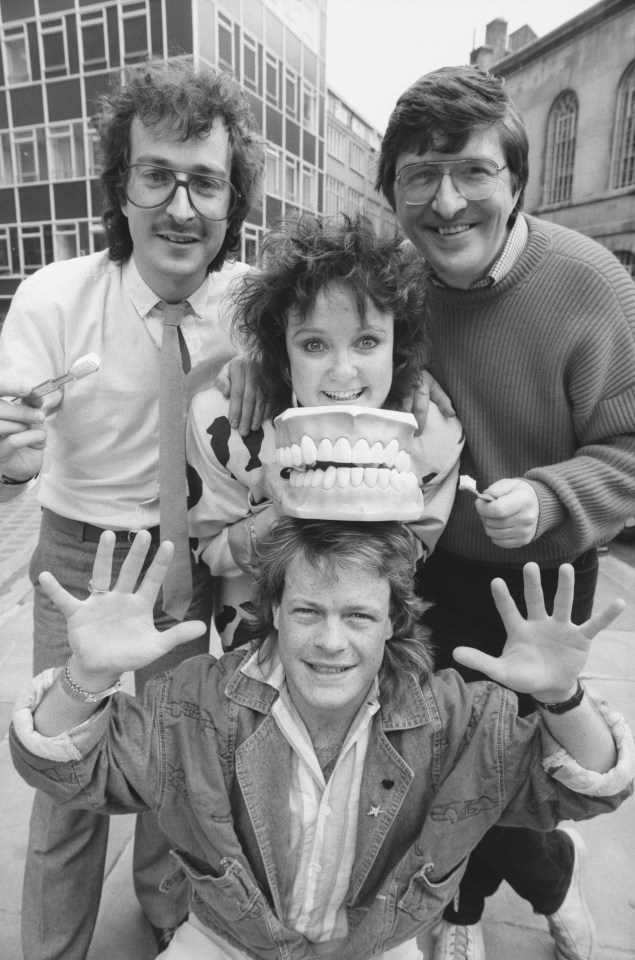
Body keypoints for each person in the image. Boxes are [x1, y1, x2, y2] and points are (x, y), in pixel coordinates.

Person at [9, 518, 634, 960]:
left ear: (394, 621)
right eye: (308, 611)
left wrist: (562, 698)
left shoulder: (458, 719)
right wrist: (85, 675)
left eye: (358, 615)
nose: (330, 642)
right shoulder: (192, 704)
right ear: (274, 611)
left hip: (378, 950)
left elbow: (585, 787)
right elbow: (70, 769)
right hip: (227, 943)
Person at [0, 58, 264, 960]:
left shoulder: (256, 306)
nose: (181, 208)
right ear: (121, 187)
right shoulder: (52, 297)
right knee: (68, 775)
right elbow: (8, 437)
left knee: (179, 764)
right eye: (157, 176)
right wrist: (6, 463)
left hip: (200, 559)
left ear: (233, 202)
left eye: (205, 182)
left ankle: (165, 913)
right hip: (80, 558)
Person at [375, 64, 635, 960]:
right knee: (436, 764)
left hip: (544, 581)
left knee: (518, 776)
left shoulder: (592, 284)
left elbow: (628, 447)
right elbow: (300, 328)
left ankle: (548, 879)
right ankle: (453, 915)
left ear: (515, 182)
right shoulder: (392, 291)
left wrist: (554, 491)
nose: (446, 201)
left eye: (472, 171)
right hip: (423, 574)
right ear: (393, 194)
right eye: (419, 175)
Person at [186, 213, 464, 648]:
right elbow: (211, 550)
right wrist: (286, 507)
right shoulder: (225, 425)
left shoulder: (433, 438)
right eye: (314, 344)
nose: (343, 371)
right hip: (254, 640)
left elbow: (411, 554)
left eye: (367, 342)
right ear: (281, 350)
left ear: (399, 344)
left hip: (365, 655)